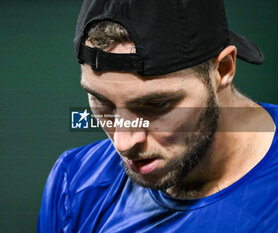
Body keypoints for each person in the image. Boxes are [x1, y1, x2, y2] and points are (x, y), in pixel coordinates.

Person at [38, 0, 278, 232]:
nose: (123, 143)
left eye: (156, 104)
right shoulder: (75, 186)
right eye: (102, 102)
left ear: (223, 69)